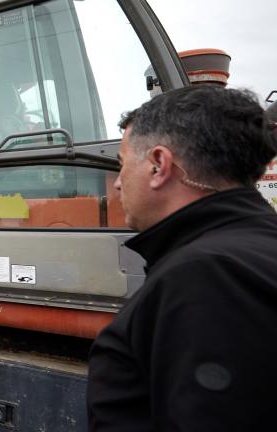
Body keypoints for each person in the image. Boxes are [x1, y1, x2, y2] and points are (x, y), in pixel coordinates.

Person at [87, 85, 277, 430]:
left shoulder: (207, 278)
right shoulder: (253, 248)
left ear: (159, 165)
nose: (117, 183)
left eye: (123, 163)